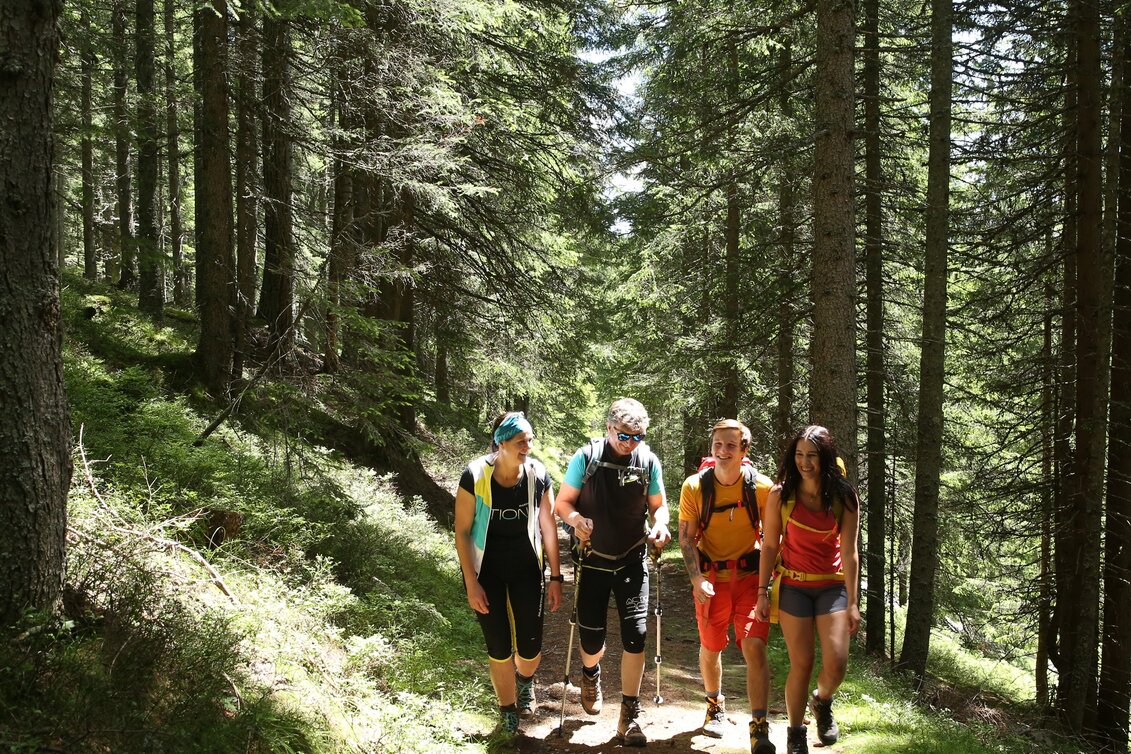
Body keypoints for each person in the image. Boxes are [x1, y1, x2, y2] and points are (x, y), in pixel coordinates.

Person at [554, 398, 671, 747]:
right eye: (624, 436)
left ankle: (629, 715)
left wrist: (660, 525)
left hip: (633, 558)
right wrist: (576, 521)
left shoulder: (648, 461)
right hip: (592, 559)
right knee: (592, 639)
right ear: (609, 428)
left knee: (636, 633)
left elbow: (659, 506)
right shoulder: (586, 458)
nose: (631, 443)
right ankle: (591, 673)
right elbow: (563, 503)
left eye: (638, 437)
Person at [454, 412, 564, 736]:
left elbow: (549, 528)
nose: (527, 447)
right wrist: (471, 583)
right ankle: (507, 710)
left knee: (529, 649)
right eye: (521, 442)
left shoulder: (538, 476)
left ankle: (525, 681)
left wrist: (556, 577)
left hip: (527, 569)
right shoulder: (474, 475)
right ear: (501, 442)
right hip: (484, 571)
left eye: (530, 440)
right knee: (498, 645)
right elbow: (461, 531)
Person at [755, 425, 861, 754]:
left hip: (832, 587)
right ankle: (795, 734)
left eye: (812, 456)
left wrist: (854, 602)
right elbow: (770, 546)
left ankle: (823, 700)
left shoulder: (844, 497)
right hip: (794, 587)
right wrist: (761, 591)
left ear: (825, 458)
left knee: (837, 662)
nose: (805, 462)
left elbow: (849, 552)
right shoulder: (780, 495)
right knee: (802, 662)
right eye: (799, 455)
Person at [678, 419, 776, 754]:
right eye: (718, 445)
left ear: (744, 449)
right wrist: (696, 579)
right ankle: (715, 704)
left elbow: (773, 538)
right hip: (711, 582)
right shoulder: (694, 487)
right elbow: (686, 538)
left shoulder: (762, 488)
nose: (723, 451)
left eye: (731, 445)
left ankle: (759, 726)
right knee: (711, 649)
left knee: (755, 648)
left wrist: (765, 587)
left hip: (750, 581)